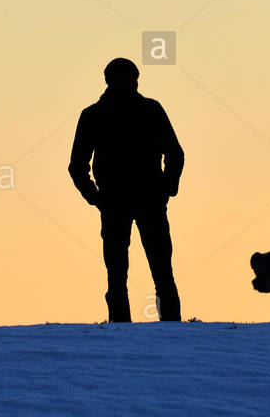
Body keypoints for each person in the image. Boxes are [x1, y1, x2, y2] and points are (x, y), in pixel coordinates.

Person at [69, 57, 185, 322]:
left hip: (123, 201)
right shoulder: (147, 110)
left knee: (121, 272)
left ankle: (123, 329)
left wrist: (95, 197)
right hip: (137, 201)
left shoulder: (96, 114)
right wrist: (166, 188)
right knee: (157, 271)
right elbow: (176, 155)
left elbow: (77, 167)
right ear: (136, 79)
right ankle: (167, 331)